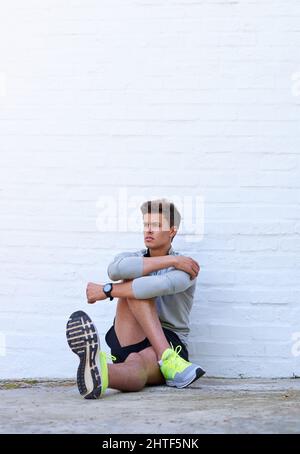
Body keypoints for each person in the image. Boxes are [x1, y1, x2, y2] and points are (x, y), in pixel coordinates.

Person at [66, 198, 205, 399]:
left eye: (156, 225)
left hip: (169, 339)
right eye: (146, 225)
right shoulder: (162, 260)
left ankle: (100, 369)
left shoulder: (186, 268)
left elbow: (157, 286)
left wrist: (106, 291)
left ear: (172, 231)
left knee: (137, 364)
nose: (148, 230)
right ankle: (167, 362)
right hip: (131, 335)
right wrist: (172, 259)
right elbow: (115, 270)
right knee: (133, 275)